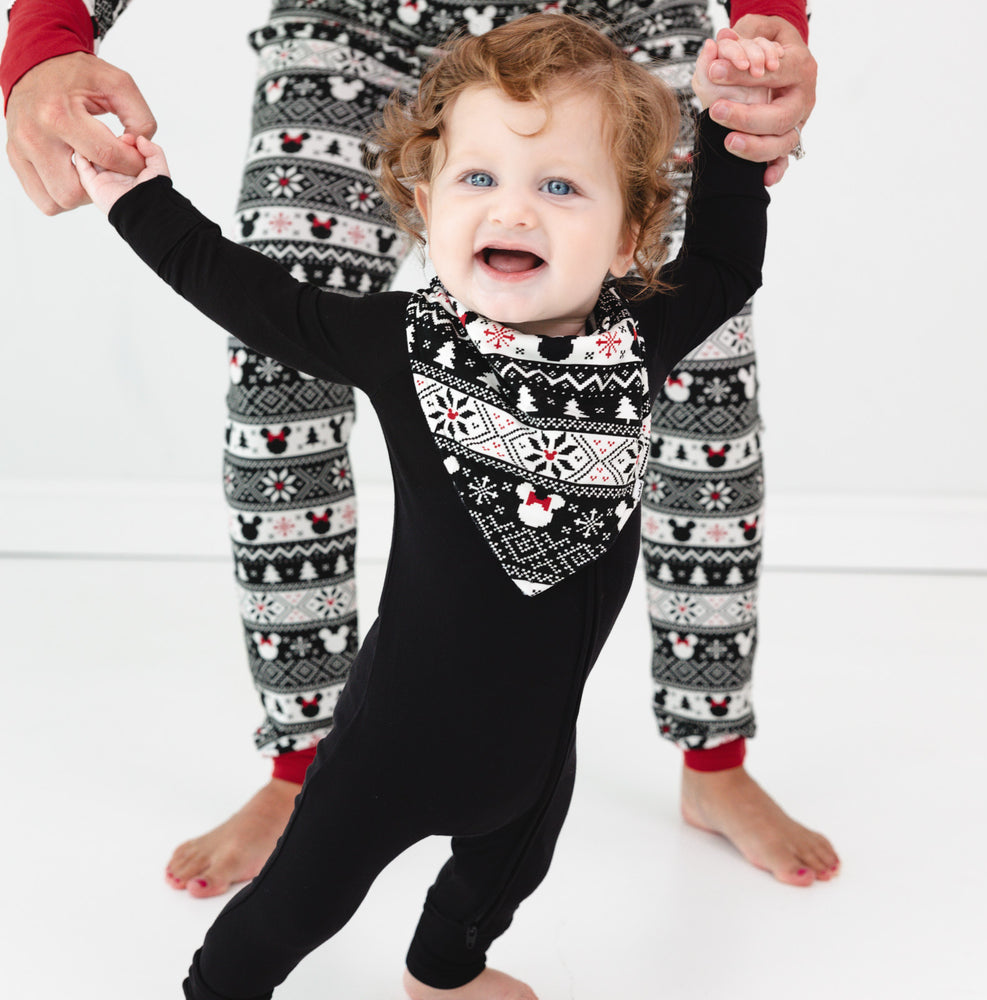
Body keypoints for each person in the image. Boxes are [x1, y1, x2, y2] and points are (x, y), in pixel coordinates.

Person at [1, 0, 838, 892]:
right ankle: (306, 766)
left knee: (696, 361)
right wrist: (45, 41)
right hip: (360, 22)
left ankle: (713, 757)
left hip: (620, 26)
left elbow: (723, 254)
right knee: (281, 378)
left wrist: (764, 25)